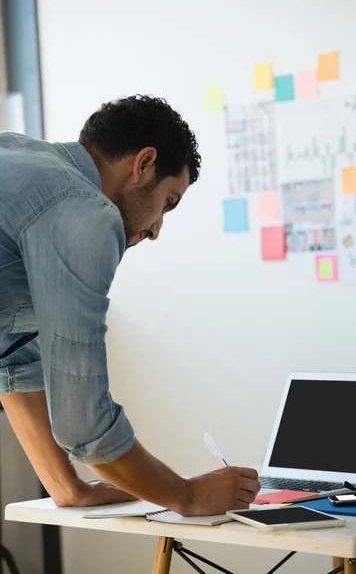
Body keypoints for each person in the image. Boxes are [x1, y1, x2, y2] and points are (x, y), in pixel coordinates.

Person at [0, 95, 260, 515]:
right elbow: (84, 424)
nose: (156, 229)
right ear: (143, 164)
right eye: (168, 202)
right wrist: (187, 495)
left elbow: (13, 361)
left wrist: (69, 489)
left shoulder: (19, 154)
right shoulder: (85, 212)